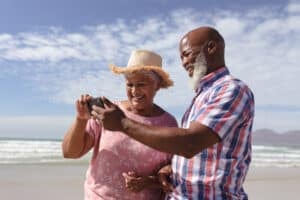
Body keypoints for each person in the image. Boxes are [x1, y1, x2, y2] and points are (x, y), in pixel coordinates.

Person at [92, 26, 255, 199]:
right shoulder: (203, 96)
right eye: (130, 84)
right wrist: (170, 171)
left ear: (211, 48)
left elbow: (190, 143)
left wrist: (122, 123)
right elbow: (200, 157)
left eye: (187, 54)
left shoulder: (231, 90)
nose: (184, 63)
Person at [62, 50, 178, 199]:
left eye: (141, 84)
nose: (134, 91)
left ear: (158, 85)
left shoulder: (168, 123)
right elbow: (70, 153)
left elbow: (174, 170)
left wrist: (149, 181)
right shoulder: (108, 112)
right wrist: (81, 120)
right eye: (130, 84)